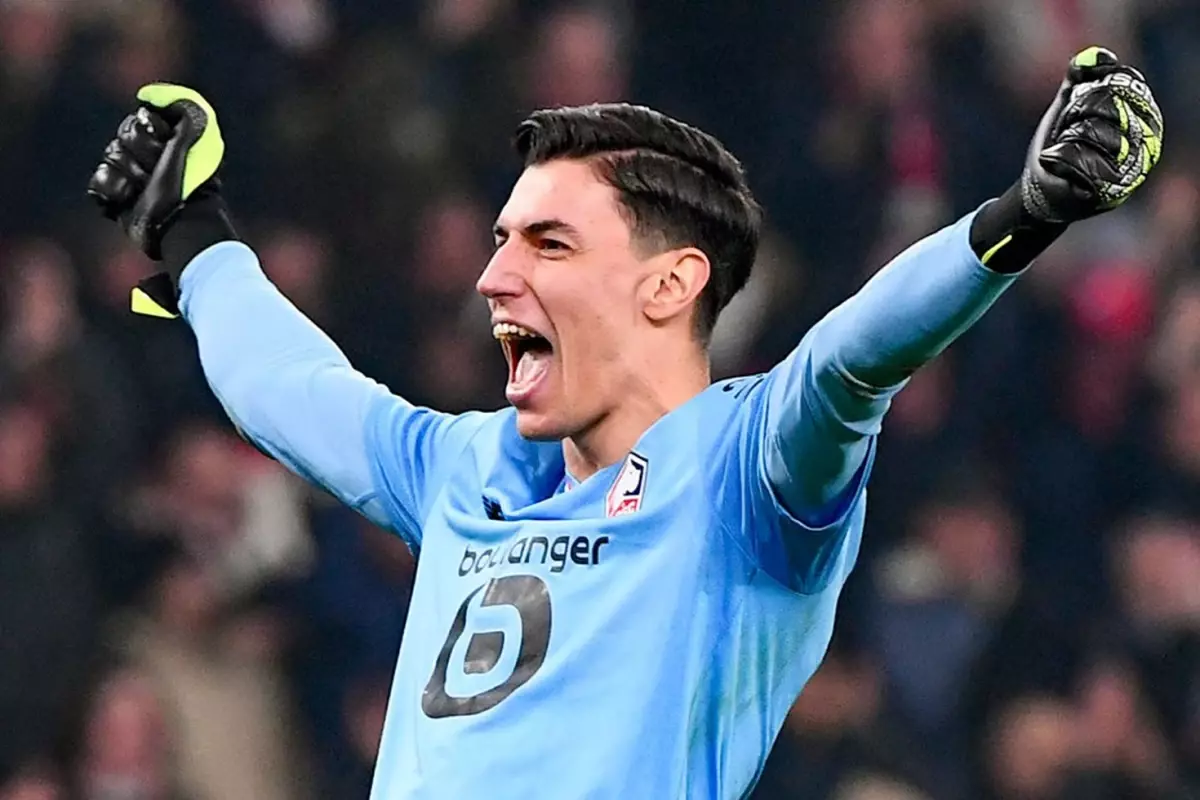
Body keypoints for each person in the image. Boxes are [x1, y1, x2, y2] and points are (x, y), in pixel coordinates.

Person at [84, 47, 1162, 799]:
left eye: (548, 243)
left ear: (668, 285)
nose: (493, 277)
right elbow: (289, 386)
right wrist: (194, 234)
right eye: (501, 240)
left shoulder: (742, 474)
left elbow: (850, 361)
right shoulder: (466, 466)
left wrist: (1020, 216)